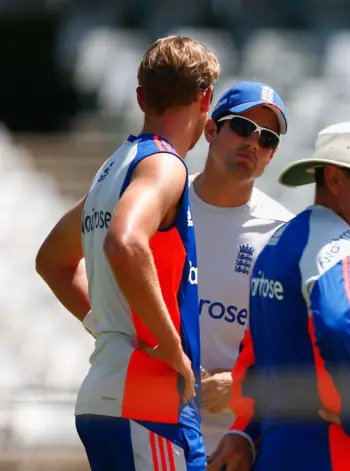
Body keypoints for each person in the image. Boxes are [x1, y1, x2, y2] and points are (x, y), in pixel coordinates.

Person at [35, 35, 220, 470]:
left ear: (140, 97)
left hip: (110, 394)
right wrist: (169, 345)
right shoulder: (165, 164)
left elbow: (51, 261)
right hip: (147, 402)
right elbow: (125, 243)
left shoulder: (114, 168)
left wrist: (112, 332)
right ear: (206, 98)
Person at [207, 121, 350, 471]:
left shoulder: (278, 242)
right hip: (338, 454)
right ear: (333, 179)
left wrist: (245, 432)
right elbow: (336, 324)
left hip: (280, 450)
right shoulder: (339, 245)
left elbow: (258, 362)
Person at [189, 81, 294, 453]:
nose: (253, 142)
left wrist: (238, 384)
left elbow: (295, 345)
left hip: (237, 442)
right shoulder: (163, 203)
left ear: (271, 154)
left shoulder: (285, 232)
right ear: (211, 130)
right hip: (152, 424)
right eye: (243, 127)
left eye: (266, 138)